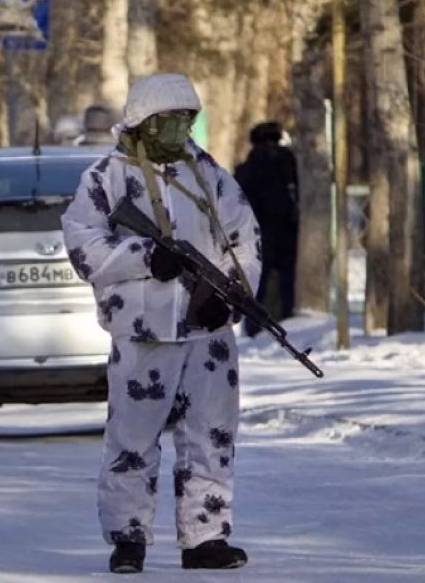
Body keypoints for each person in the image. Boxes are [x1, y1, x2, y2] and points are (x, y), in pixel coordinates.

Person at [61, 73, 261, 573]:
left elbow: (245, 239)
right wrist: (144, 258)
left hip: (207, 334)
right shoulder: (105, 178)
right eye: (168, 121)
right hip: (142, 333)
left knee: (211, 434)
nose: (178, 129)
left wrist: (231, 299)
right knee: (132, 438)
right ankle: (128, 537)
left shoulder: (208, 175)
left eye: (186, 120)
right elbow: (83, 245)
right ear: (142, 121)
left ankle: (206, 536)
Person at [234, 122, 298, 336]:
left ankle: (253, 328)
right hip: (288, 229)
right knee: (288, 282)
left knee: (257, 282)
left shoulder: (248, 167)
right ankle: (288, 322)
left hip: (258, 231)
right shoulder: (290, 162)